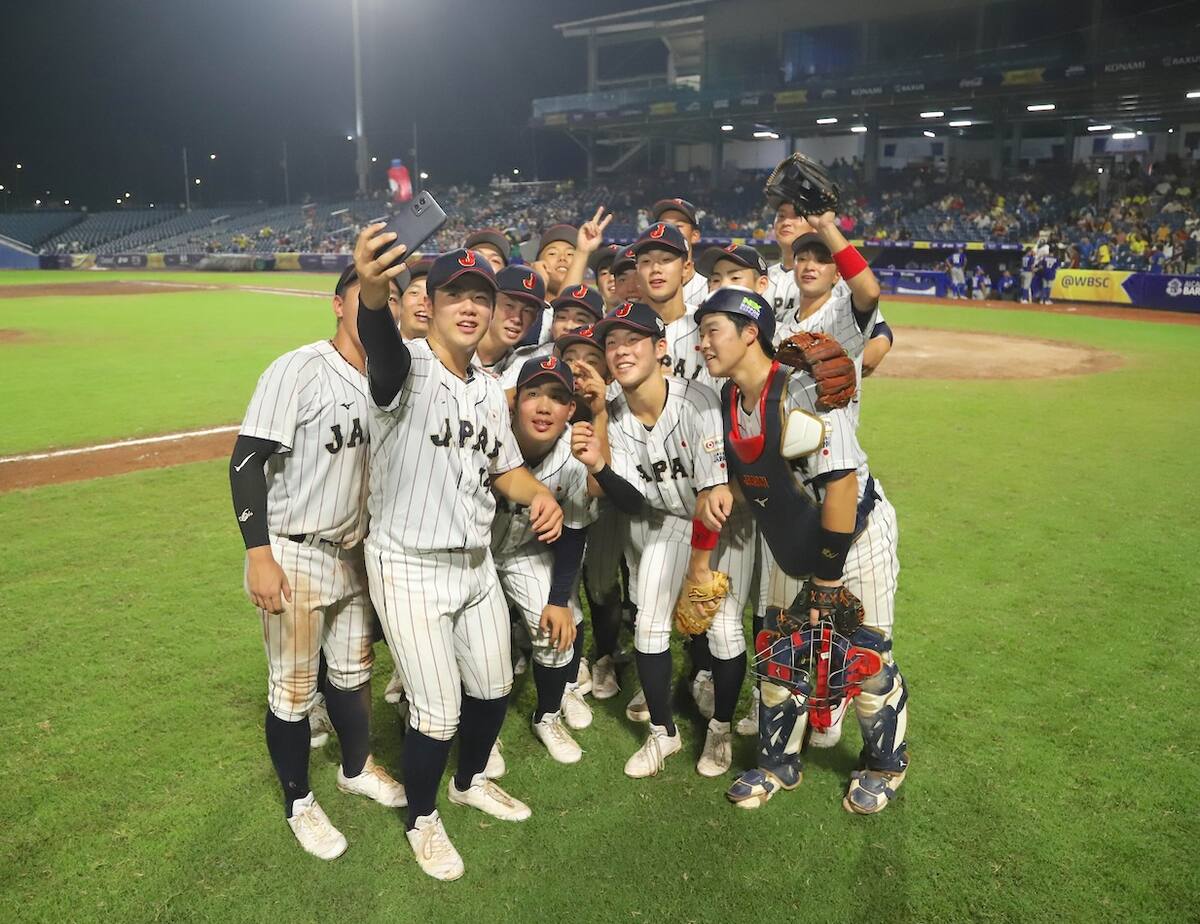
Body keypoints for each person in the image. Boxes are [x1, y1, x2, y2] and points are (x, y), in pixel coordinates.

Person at [353, 228, 565, 881]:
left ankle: (468, 781)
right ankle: (422, 819)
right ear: (434, 304)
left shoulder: (483, 389)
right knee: (438, 711)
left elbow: (505, 471)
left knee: (495, 687)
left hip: (474, 564)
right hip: (408, 564)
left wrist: (540, 496)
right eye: (456, 296)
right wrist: (368, 288)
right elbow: (380, 342)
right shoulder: (404, 366)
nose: (470, 306)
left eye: (481, 296)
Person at [695, 286, 909, 816]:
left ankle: (885, 764)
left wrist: (828, 580)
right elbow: (767, 476)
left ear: (750, 334)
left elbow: (839, 487)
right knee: (779, 652)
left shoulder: (806, 389)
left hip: (853, 536)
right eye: (699, 333)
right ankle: (776, 762)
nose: (702, 344)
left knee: (862, 656)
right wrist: (724, 491)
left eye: (712, 331)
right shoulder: (725, 400)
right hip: (791, 540)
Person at [230, 264, 406, 861]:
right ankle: (298, 801)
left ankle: (355, 768)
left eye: (388, 297)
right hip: (297, 552)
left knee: (355, 677)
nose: (379, 304)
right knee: (293, 692)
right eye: (367, 295)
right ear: (338, 304)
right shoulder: (298, 369)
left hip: (358, 556)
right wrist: (259, 554)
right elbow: (245, 461)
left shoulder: (393, 377)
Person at [593, 301, 750, 779]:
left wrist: (699, 571)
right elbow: (630, 500)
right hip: (670, 521)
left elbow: (711, 497)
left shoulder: (697, 401)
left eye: (632, 341)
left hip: (725, 520)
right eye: (612, 343)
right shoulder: (614, 414)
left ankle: (720, 727)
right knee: (648, 628)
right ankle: (665, 733)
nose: (621, 351)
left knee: (723, 632)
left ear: (660, 349)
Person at [491, 356, 622, 763]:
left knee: (556, 634)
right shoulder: (487, 435)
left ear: (570, 409)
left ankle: (546, 715)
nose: (544, 406)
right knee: (477, 647)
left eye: (557, 397)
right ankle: (476, 725)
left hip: (522, 550)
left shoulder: (574, 452)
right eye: (533, 394)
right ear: (513, 402)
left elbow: (576, 531)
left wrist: (557, 599)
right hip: (469, 552)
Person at [474, 264, 545, 380]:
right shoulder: (452, 350)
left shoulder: (519, 369)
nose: (517, 318)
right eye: (509, 306)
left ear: (534, 319)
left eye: (527, 311)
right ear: (489, 304)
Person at [651, 197, 709, 305]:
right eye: (664, 226)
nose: (670, 231)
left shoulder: (709, 291)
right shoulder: (644, 289)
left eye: (678, 226)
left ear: (695, 235)